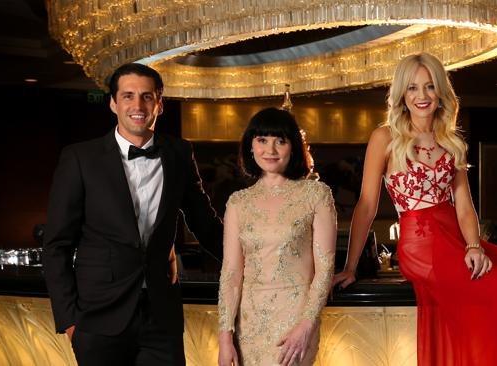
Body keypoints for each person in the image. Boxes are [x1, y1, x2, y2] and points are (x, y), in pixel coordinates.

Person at [332, 53, 497, 365]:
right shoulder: (385, 137)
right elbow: (367, 205)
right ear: (402, 93)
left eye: (429, 87)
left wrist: (474, 245)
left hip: (455, 237)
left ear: (440, 92)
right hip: (419, 245)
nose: (421, 96)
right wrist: (350, 266)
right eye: (412, 88)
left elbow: (465, 206)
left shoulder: (451, 141)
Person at [43, 63, 223, 366]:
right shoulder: (79, 158)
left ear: (160, 104)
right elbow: (56, 245)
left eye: (147, 96)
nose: (137, 105)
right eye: (128, 96)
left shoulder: (179, 153)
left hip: (161, 317)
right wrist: (71, 321)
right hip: (98, 318)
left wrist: (256, 264)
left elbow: (205, 224)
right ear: (113, 103)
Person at [217, 107, 336, 366]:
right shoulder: (238, 202)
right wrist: (225, 338)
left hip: (295, 319)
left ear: (293, 147)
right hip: (248, 323)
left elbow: (324, 269)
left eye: (280, 141)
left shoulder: (316, 195)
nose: (270, 150)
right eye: (262, 140)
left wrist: (306, 326)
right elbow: (231, 273)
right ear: (250, 146)